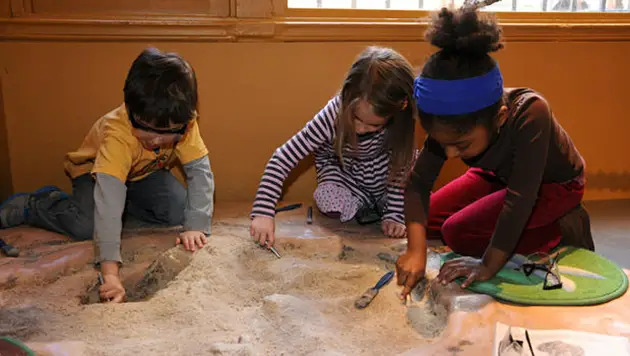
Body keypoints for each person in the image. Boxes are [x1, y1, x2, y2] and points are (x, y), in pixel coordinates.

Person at [396, 6, 593, 298]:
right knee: (431, 218)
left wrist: (487, 265)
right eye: (441, 143)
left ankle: (562, 227)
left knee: (457, 233)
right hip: (496, 175)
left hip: (553, 186)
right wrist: (415, 251)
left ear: (500, 118)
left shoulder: (532, 114)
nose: (451, 154)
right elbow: (418, 184)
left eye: (461, 146)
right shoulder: (453, 121)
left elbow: (520, 199)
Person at [0, 47, 214, 303]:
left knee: (180, 210)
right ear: (132, 112)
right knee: (87, 225)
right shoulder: (118, 135)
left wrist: (196, 227)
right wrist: (110, 275)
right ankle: (37, 204)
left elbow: (200, 173)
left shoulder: (186, 124)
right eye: (148, 132)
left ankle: (127, 209)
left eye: (167, 134)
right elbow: (109, 200)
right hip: (94, 174)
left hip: (143, 176)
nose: (157, 140)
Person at [250, 46, 418, 247]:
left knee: (418, 202)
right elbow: (282, 158)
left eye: (374, 125)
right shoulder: (332, 116)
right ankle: (364, 207)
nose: (361, 128)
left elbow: (401, 169)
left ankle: (383, 208)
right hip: (347, 177)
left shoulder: (401, 123)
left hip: (386, 182)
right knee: (326, 198)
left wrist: (394, 214)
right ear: (346, 97)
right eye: (356, 118)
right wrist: (263, 212)